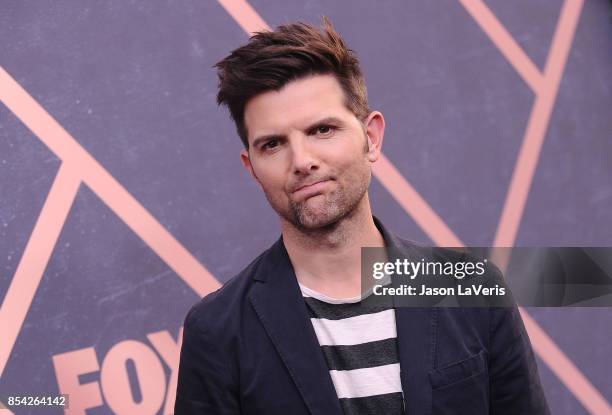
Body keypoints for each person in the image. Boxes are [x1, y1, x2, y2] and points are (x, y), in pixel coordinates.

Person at [174, 17, 550, 415]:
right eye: (273, 144)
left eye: (322, 130)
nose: (302, 161)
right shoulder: (217, 332)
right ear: (251, 168)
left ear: (371, 137)